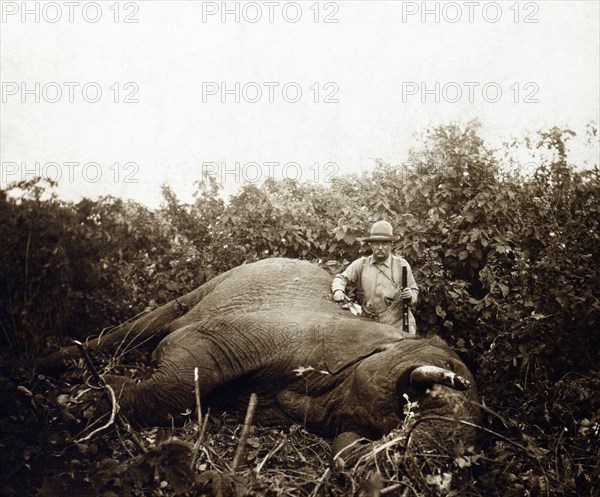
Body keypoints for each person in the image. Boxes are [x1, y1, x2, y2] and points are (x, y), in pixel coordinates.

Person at [331, 220, 418, 334]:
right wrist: (338, 290)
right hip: (371, 325)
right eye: (376, 243)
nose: (380, 247)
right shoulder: (361, 264)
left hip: (398, 324)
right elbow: (341, 278)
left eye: (385, 243)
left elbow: (414, 290)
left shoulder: (401, 265)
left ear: (391, 245)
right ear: (371, 245)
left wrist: (410, 296)